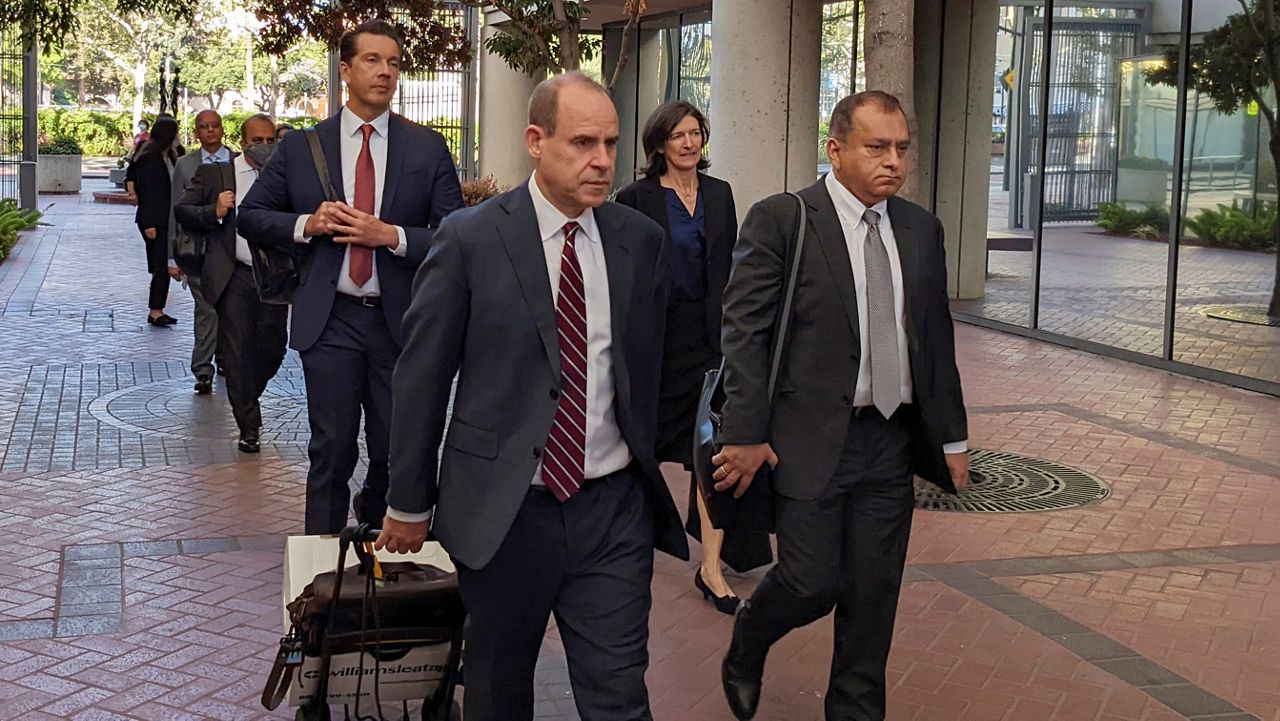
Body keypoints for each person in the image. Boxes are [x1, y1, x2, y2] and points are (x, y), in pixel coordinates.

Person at [375, 72, 689, 721]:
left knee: (619, 692)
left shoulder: (639, 242)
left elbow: (650, 365)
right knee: (496, 687)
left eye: (610, 142)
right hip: (505, 512)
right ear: (535, 142)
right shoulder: (469, 239)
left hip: (611, 510)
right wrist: (408, 499)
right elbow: (422, 377)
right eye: (582, 142)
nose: (602, 159)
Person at [714, 91, 970, 721]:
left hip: (889, 438)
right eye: (876, 147)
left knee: (874, 592)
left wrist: (954, 439)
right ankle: (749, 638)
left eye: (901, 148)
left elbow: (934, 338)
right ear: (835, 149)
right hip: (805, 435)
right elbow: (743, 331)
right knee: (809, 581)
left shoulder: (919, 228)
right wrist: (744, 430)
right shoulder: (783, 220)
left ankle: (855, 710)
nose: (893, 162)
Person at [239, 20, 463, 534]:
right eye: (372, 60)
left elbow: (455, 235)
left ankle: (378, 542)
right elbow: (251, 215)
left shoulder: (425, 148)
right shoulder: (302, 147)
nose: (385, 72)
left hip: (400, 324)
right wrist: (307, 224)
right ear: (345, 70)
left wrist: (393, 236)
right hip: (331, 320)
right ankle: (320, 575)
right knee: (331, 451)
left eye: (393, 63)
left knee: (395, 451)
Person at [616, 100, 770, 615]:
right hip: (656, 345)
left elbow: (734, 265)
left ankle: (712, 567)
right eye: (678, 135)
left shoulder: (721, 194)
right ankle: (624, 542)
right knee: (640, 447)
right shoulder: (635, 198)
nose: (689, 143)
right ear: (659, 144)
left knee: (710, 452)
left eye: (696, 133)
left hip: (711, 344)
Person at [175, 114, 287, 454]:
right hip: (233, 275)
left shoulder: (284, 177)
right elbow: (183, 210)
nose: (266, 147)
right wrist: (216, 210)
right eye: (259, 141)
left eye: (271, 141)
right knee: (236, 352)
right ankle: (248, 425)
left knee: (272, 347)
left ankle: (247, 393)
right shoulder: (217, 174)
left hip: (273, 277)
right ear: (243, 143)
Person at [170, 109, 234, 395]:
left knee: (231, 311)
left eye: (215, 126)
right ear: (196, 132)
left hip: (233, 250)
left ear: (222, 129)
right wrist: (171, 257)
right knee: (206, 310)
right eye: (204, 126)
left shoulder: (238, 161)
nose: (210, 131)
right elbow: (176, 210)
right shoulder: (185, 165)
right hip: (199, 251)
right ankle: (202, 369)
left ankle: (225, 360)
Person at [126, 114, 181, 327]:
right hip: (154, 219)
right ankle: (156, 311)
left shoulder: (171, 156)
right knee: (160, 265)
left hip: (166, 217)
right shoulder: (150, 158)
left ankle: (158, 307)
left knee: (161, 263)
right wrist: (149, 222)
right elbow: (149, 191)